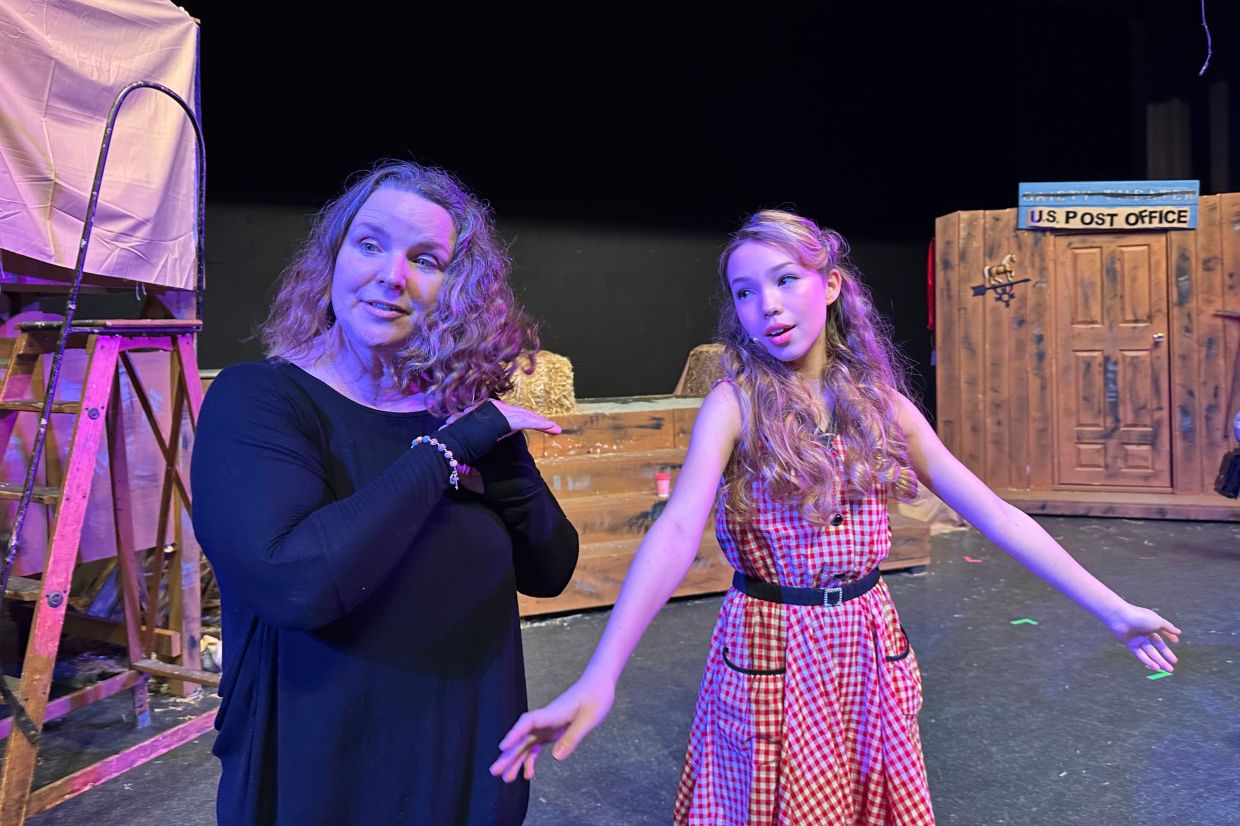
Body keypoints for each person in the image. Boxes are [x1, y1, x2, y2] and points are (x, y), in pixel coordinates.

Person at [488, 210, 1181, 824]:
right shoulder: (735, 405)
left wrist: (1112, 608)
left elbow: (994, 513)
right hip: (771, 647)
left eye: (786, 279)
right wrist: (600, 673)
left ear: (831, 285)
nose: (768, 305)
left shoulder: (880, 404)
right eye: (745, 291)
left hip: (867, 649)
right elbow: (674, 533)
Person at [191, 160, 579, 825]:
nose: (392, 276)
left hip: (462, 774)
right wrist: (449, 450)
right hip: (320, 782)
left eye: (425, 259)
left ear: (455, 290)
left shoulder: (457, 411)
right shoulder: (259, 401)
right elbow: (298, 582)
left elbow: (550, 568)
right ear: (334, 256)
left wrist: (495, 443)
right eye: (370, 244)